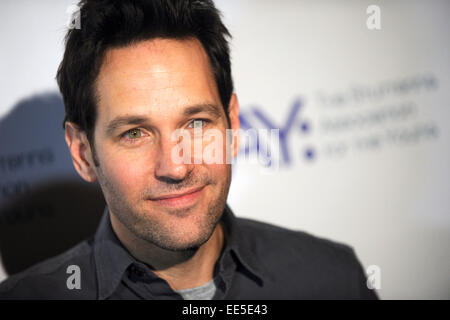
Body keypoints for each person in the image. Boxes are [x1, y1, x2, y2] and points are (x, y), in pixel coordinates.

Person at [0, 0, 378, 300]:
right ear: (83, 153)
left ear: (231, 123)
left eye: (196, 124)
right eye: (135, 133)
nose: (176, 167)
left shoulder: (332, 278)